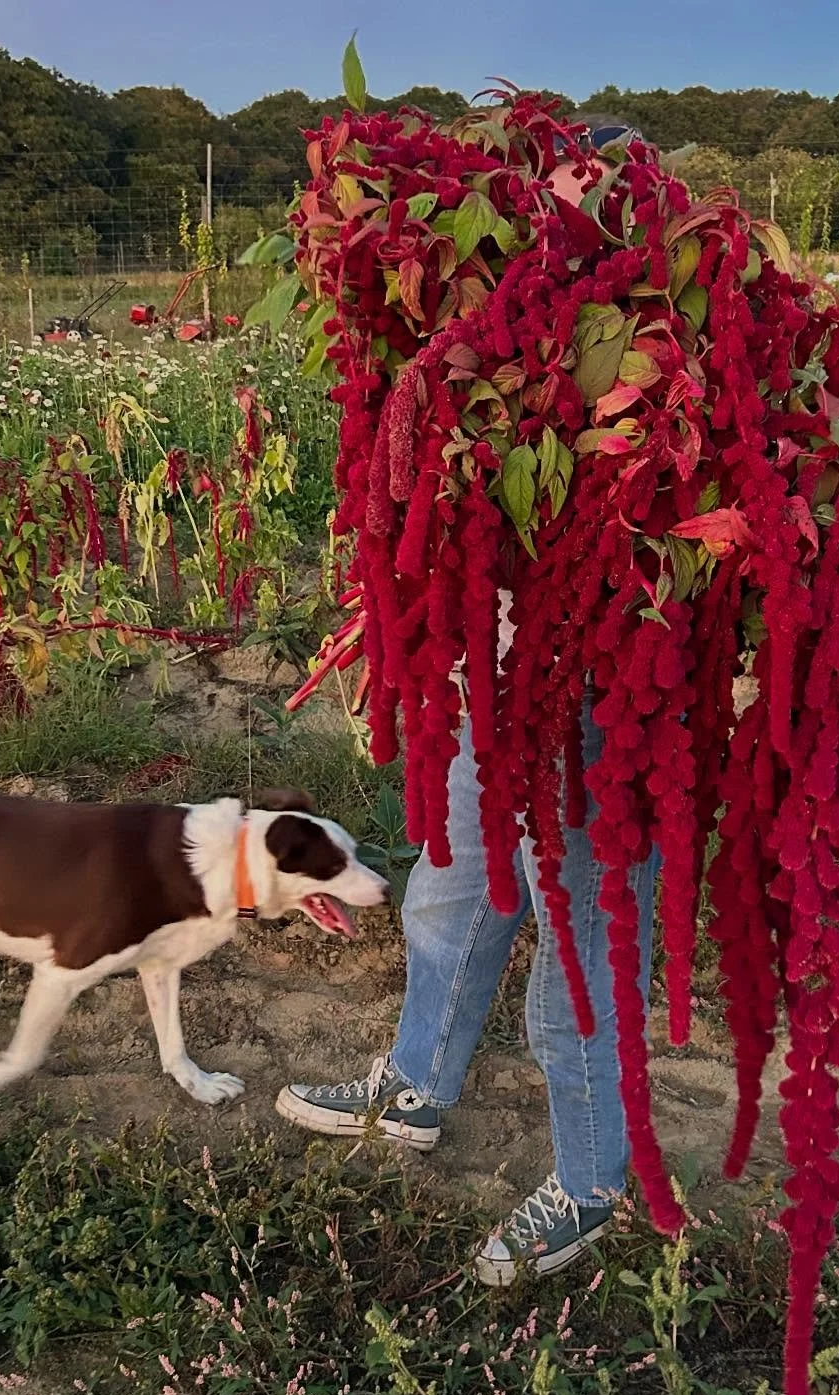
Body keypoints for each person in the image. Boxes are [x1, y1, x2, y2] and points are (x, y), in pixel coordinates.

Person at [276, 121, 659, 1287]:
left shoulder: (653, 345)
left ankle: (597, 1182)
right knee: (449, 894)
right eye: (552, 191)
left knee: (581, 960)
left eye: (595, 193)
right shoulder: (488, 319)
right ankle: (418, 1087)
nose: (563, 212)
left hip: (597, 702)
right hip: (482, 677)